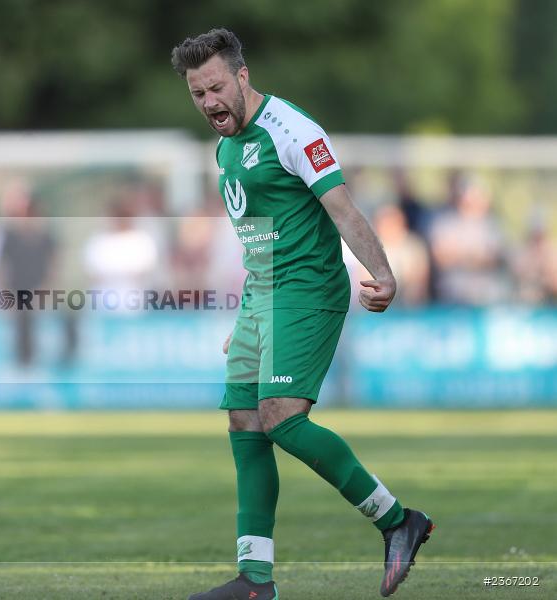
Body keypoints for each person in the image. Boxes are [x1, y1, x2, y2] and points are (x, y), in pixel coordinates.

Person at [171, 29, 433, 599]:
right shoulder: (224, 146)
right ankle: (255, 582)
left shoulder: (293, 130)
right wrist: (250, 317)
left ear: (242, 76)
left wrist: (383, 273)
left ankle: (397, 521)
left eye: (216, 87)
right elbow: (261, 230)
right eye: (197, 94)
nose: (209, 102)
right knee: (244, 421)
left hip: (308, 288)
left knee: (281, 417)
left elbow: (342, 208)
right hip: (263, 294)